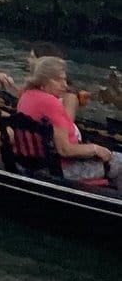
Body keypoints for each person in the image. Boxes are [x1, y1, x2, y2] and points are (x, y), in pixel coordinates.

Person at [16, 57, 122, 185]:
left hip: (33, 164)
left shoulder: (26, 96)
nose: (65, 85)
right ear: (44, 80)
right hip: (60, 169)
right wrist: (95, 149)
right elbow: (65, 150)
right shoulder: (51, 103)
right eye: (59, 80)